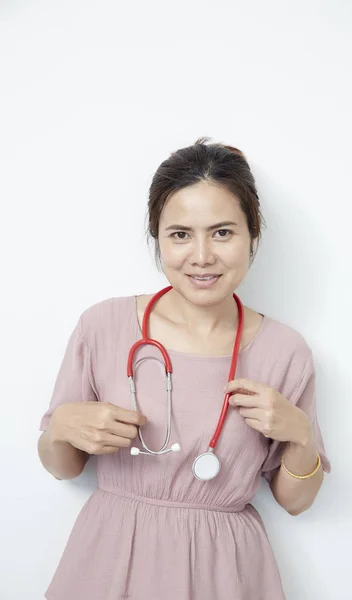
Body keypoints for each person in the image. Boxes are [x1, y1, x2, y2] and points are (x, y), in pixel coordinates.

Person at [37, 137, 331, 600]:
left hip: (225, 570)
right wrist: (59, 432)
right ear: (157, 236)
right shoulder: (103, 326)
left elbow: (296, 502)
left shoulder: (284, 351)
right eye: (180, 234)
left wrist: (300, 433)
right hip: (111, 559)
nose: (201, 256)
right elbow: (65, 468)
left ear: (253, 233)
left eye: (222, 232)